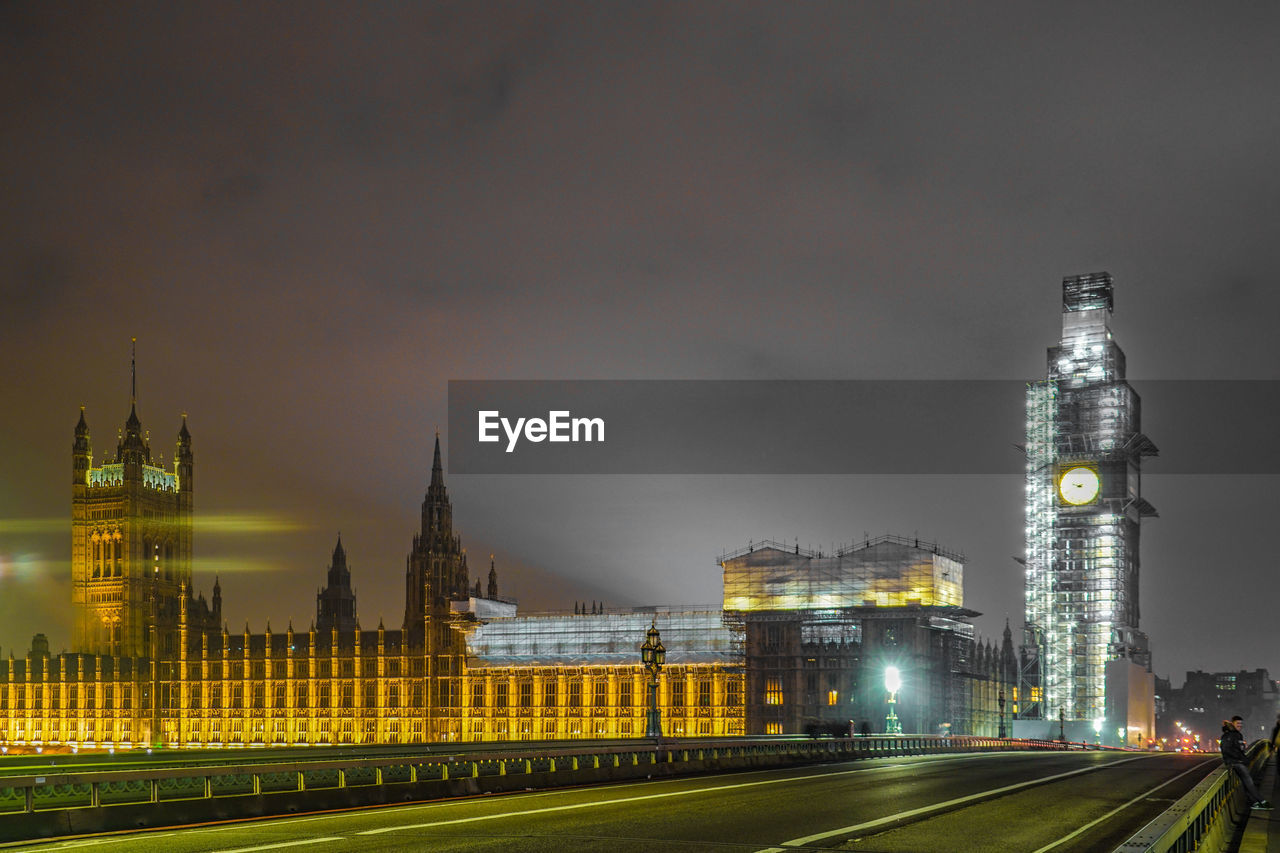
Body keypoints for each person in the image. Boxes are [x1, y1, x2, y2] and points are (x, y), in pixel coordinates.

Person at [1221, 715, 1272, 810]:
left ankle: (1254, 802)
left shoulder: (1237, 734)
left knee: (1246, 782)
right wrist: (1239, 759)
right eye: (1238, 723)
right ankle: (1262, 801)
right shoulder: (1229, 735)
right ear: (1233, 723)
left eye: (1241, 724)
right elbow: (1226, 750)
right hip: (1234, 762)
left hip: (1238, 761)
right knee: (1249, 781)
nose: (1240, 725)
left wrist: (1244, 758)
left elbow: (1240, 750)